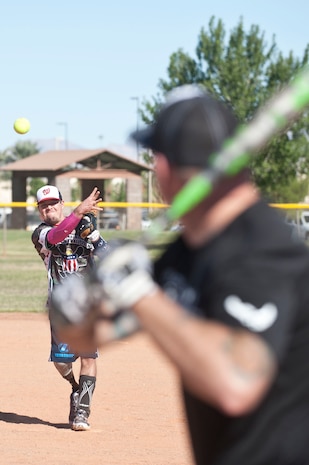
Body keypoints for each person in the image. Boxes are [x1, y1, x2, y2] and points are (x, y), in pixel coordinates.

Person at [50, 86, 309, 463]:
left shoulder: (263, 250)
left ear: (166, 167)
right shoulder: (186, 253)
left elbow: (237, 382)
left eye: (156, 157)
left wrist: (138, 291)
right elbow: (97, 332)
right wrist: (70, 309)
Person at [31, 185, 107, 431]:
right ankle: (75, 388)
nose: (49, 208)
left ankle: (82, 412)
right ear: (40, 211)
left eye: (53, 203)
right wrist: (78, 213)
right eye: (44, 205)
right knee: (62, 361)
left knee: (88, 356)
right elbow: (56, 238)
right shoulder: (41, 233)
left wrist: (94, 236)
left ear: (61, 204)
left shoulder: (83, 225)